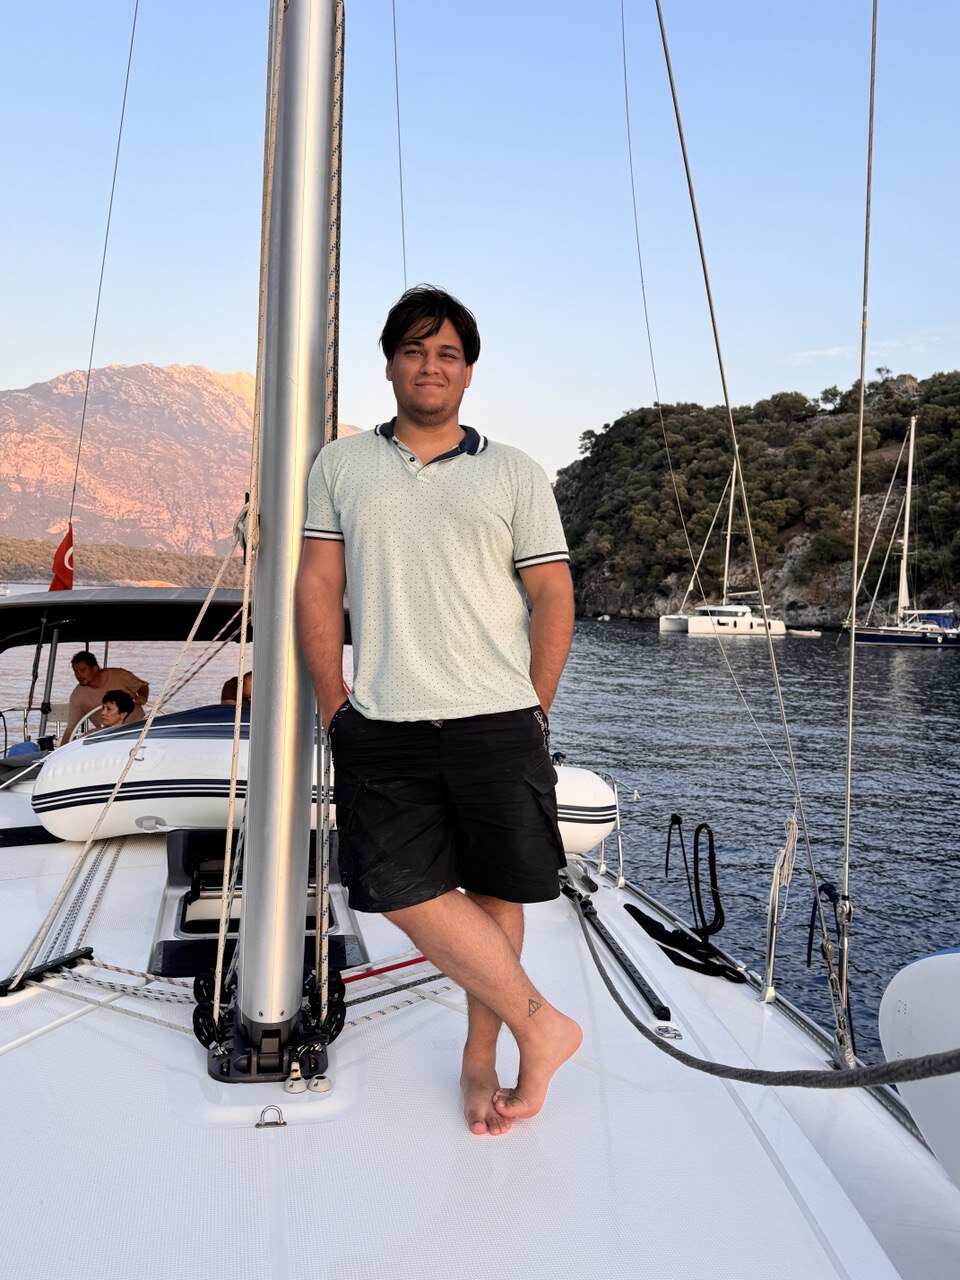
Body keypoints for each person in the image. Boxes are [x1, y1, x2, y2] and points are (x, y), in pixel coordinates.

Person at [296, 285, 580, 1136]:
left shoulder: (515, 472)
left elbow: (552, 593)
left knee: (495, 891)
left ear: (468, 372)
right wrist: (333, 702)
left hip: (497, 719)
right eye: (415, 351)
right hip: (381, 720)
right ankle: (543, 1025)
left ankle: (482, 1057)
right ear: (390, 365)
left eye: (447, 353)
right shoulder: (340, 465)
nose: (431, 366)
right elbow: (318, 583)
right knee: (395, 888)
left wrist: (535, 707)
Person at [62, 651, 148, 742]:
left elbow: (142, 686)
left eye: (83, 670)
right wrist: (62, 749)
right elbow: (71, 728)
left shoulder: (119, 675)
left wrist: (143, 697)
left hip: (141, 730)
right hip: (110, 736)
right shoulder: (77, 695)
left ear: (95, 668)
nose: (78, 675)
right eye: (75, 671)